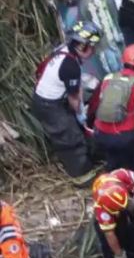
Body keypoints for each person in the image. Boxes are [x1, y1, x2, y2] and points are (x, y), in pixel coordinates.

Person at [30, 21, 102, 185]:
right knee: (70, 137)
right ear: (84, 46)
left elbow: (75, 87)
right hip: (49, 105)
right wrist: (80, 114)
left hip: (48, 98)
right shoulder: (70, 65)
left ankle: (86, 159)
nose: (94, 51)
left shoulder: (65, 51)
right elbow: (73, 100)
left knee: (71, 129)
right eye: (92, 46)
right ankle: (82, 177)